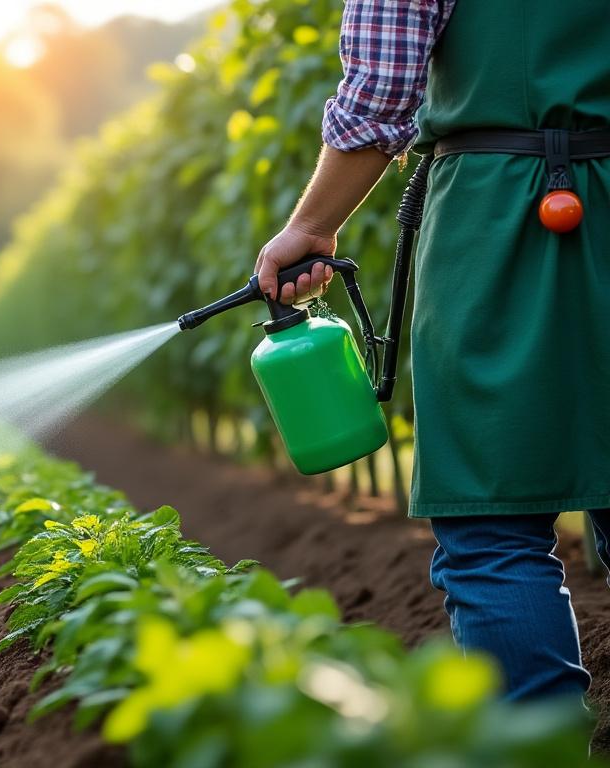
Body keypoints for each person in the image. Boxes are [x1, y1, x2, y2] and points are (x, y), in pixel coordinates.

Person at [254, 0, 610, 701]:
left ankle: (539, 748)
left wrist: (312, 226)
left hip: (499, 207)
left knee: (494, 523)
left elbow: (382, 94)